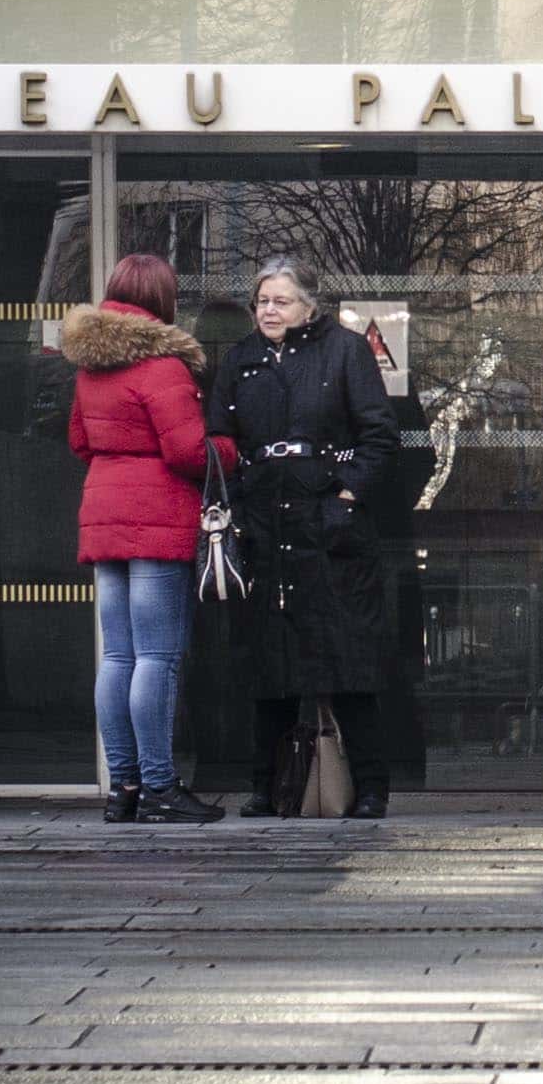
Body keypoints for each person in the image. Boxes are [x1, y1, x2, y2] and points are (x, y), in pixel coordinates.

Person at [211, 259, 401, 818]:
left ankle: (370, 788)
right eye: (262, 301)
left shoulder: (345, 350)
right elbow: (219, 439)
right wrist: (238, 503)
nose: (269, 310)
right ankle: (264, 788)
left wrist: (345, 498)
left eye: (281, 300)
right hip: (265, 528)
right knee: (269, 664)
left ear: (309, 305)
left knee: (347, 662)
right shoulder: (240, 360)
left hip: (329, 530)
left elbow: (379, 436)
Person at [60, 253, 226, 826]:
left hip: (104, 513)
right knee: (157, 656)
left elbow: (80, 441)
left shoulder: (90, 366)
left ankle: (123, 787)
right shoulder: (163, 367)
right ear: (163, 300)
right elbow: (186, 452)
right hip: (155, 518)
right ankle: (159, 785)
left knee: (117, 655)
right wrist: (230, 453)